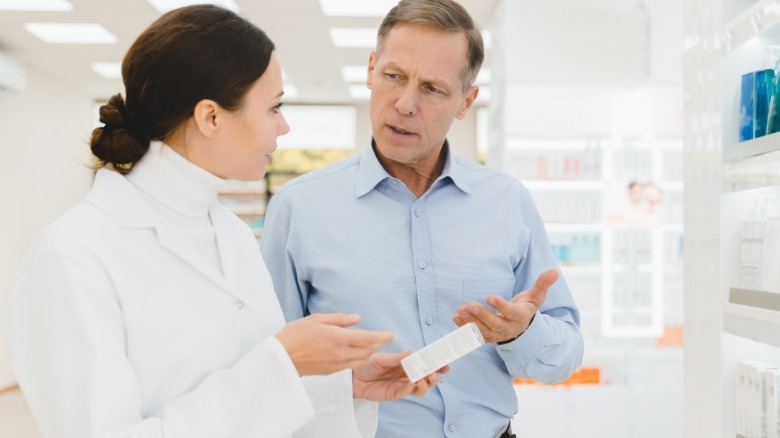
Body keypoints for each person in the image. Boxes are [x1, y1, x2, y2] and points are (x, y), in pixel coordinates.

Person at [6, 5, 444, 438]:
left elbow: (257, 399)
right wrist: (284, 361)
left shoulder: (230, 234)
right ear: (211, 117)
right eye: (274, 107)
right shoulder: (71, 255)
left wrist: (341, 382)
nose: (285, 126)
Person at [260, 0, 584, 437]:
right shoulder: (299, 208)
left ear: (466, 101)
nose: (405, 104)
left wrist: (520, 332)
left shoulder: (507, 203)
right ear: (371, 69)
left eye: (432, 88)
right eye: (394, 76)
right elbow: (269, 367)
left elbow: (563, 357)